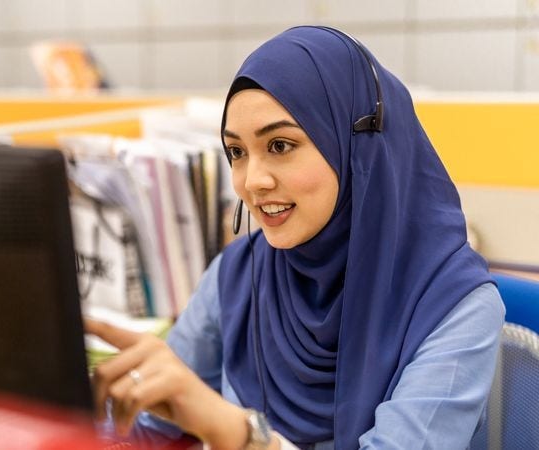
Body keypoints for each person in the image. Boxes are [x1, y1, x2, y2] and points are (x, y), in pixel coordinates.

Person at [87, 26, 505, 450]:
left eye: (280, 145)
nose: (252, 181)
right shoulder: (239, 275)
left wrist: (239, 435)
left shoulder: (453, 305)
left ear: (354, 148)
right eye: (237, 152)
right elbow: (146, 427)